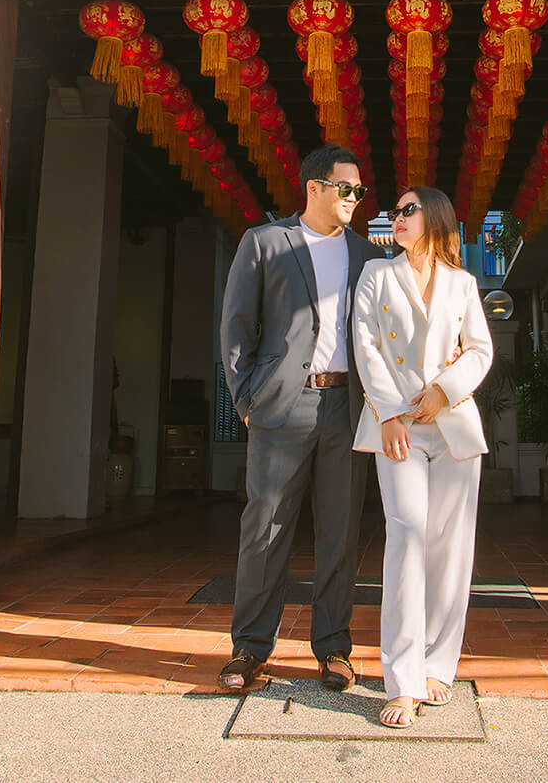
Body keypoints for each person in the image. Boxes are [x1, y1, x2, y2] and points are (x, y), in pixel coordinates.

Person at [216, 144, 381, 694]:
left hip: (347, 408)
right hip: (282, 406)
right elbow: (236, 324)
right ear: (314, 188)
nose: (355, 199)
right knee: (265, 527)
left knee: (340, 532)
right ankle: (249, 649)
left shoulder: (366, 256)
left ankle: (333, 648)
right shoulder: (265, 243)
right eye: (347, 189)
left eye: (359, 190)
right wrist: (245, 399)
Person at [351, 185, 495, 729]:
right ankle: (403, 681)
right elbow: (365, 342)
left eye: (408, 210)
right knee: (406, 537)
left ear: (435, 219)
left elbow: (480, 349)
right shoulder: (376, 275)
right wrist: (388, 412)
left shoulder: (462, 282)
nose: (397, 217)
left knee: (451, 551)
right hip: (399, 429)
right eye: (395, 211)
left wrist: (445, 390)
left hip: (453, 426)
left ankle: (439, 666)